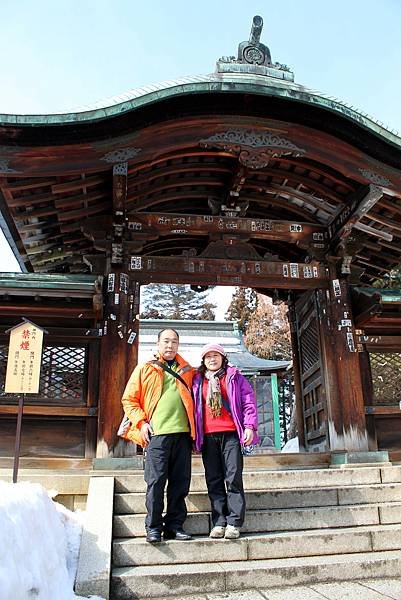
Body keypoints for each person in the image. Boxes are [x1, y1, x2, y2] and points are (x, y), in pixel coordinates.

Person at [121, 328, 196, 544]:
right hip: (157, 435)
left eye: (174, 341)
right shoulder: (145, 369)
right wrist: (141, 423)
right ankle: (153, 527)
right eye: (166, 341)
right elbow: (129, 399)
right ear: (157, 344)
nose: (170, 345)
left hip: (182, 434)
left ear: (178, 345)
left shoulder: (187, 371)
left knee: (180, 483)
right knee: (155, 482)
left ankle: (175, 525)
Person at [192, 343, 259, 539]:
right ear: (203, 361)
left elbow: (248, 401)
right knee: (213, 479)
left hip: (230, 434)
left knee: (233, 477)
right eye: (208, 356)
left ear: (223, 358)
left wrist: (249, 426)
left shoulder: (234, 376)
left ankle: (234, 522)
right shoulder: (197, 380)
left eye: (216, 355)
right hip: (208, 436)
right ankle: (219, 521)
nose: (212, 359)